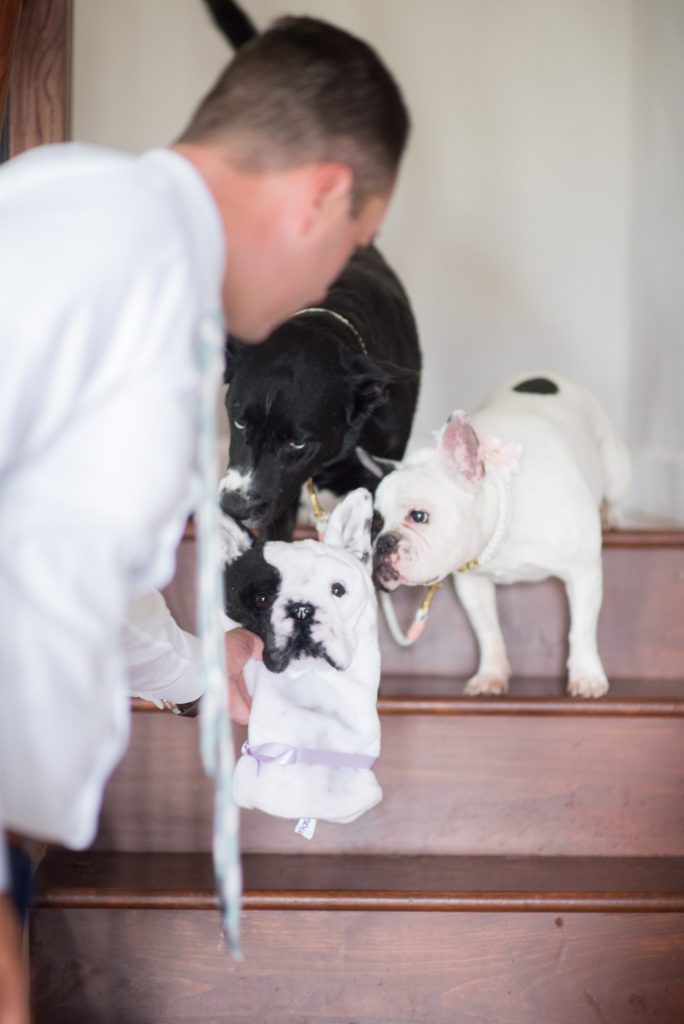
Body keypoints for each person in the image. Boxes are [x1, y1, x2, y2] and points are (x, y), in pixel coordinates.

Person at [0, 14, 409, 1023]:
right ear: (323, 195)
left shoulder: (91, 226)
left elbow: (57, 557)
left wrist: (196, 670)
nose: (327, 286)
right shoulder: (116, 262)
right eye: (351, 246)